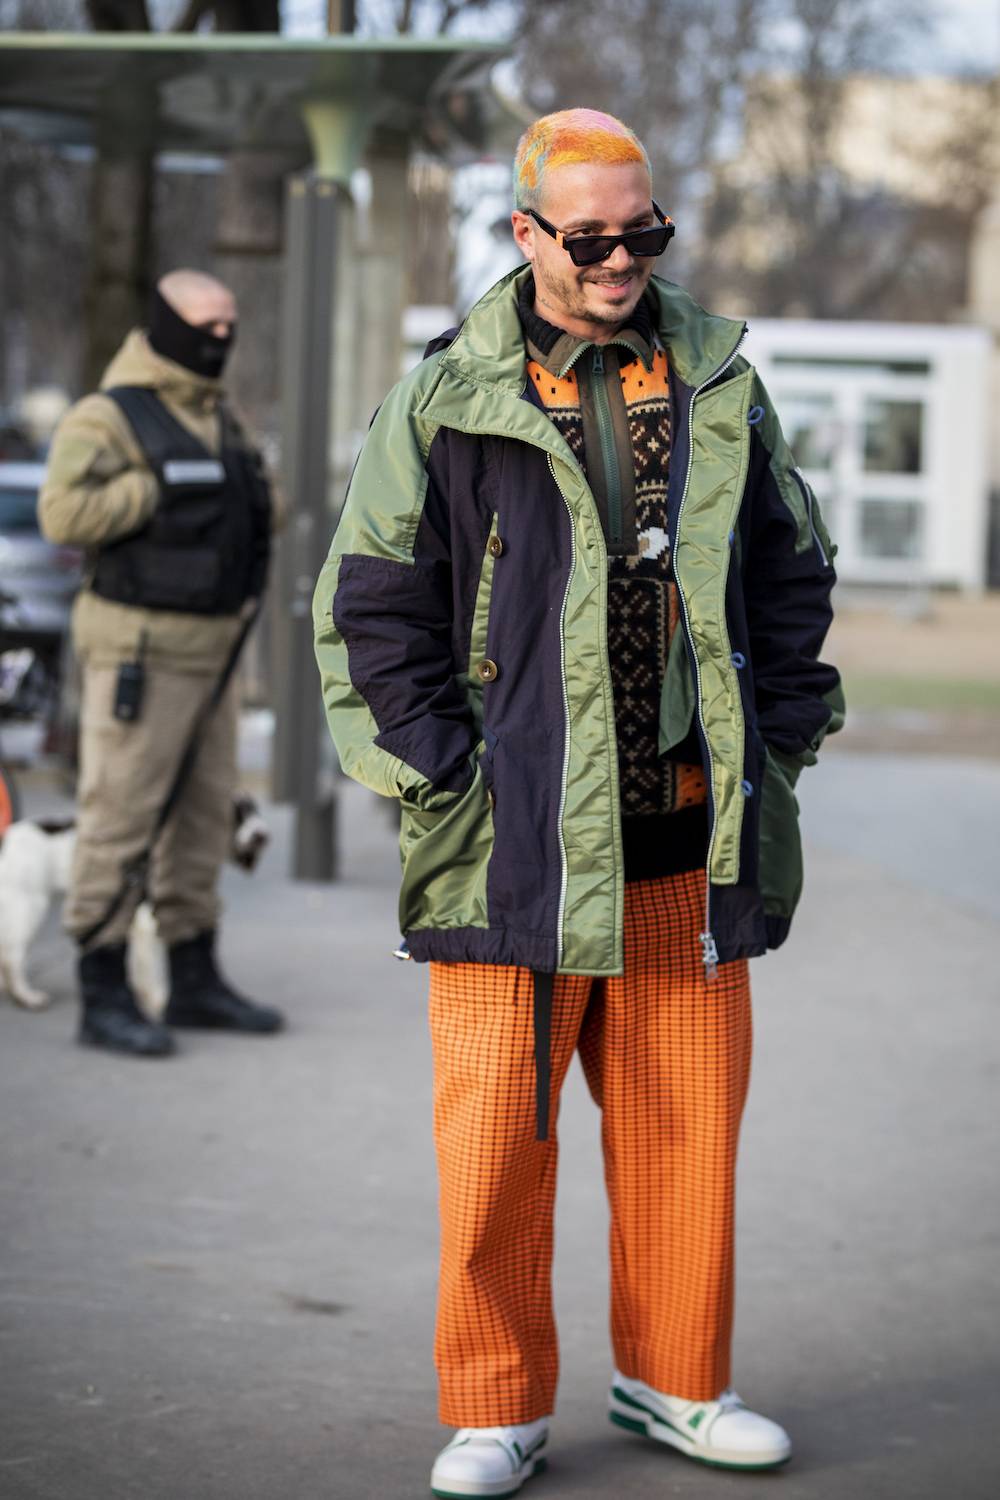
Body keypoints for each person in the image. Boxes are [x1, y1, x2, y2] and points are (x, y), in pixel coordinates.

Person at [314, 109, 843, 1494]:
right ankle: (496, 1404)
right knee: (494, 1140)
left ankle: (677, 1385)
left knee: (687, 1135)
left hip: (684, 841)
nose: (621, 259)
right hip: (514, 850)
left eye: (643, 233)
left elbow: (791, 570)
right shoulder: (442, 397)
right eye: (592, 237)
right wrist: (444, 773)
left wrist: (775, 744)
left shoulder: (722, 379)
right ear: (527, 234)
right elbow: (369, 606)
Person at [39, 269, 285, 1057]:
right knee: (120, 816)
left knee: (204, 816)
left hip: (215, 653)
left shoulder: (222, 418)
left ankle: (193, 977)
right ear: (166, 325)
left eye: (230, 324)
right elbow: (62, 513)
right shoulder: (109, 414)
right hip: (141, 650)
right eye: (206, 324)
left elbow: (251, 502)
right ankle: (102, 990)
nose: (221, 338)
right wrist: (153, 492)